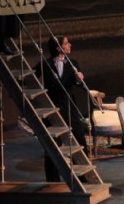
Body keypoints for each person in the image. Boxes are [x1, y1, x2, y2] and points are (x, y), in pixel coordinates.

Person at [36, 36, 87, 182]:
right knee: (53, 143)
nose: (70, 45)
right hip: (52, 107)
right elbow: (30, 78)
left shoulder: (73, 63)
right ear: (58, 48)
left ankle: (82, 176)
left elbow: (79, 84)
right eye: (66, 43)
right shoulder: (45, 64)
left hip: (69, 105)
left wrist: (79, 79)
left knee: (79, 138)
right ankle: (52, 180)